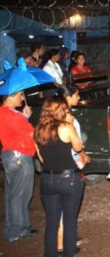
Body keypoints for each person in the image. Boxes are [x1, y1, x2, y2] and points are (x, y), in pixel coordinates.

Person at [34, 96, 85, 257]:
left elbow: (41, 159)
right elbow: (78, 146)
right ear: (62, 110)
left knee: (51, 224)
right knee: (69, 223)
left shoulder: (38, 130)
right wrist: (72, 126)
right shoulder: (66, 127)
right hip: (68, 178)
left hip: (47, 179)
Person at [0, 91, 38, 242]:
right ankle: (17, 230)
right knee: (21, 194)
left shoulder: (4, 112)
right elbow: (31, 134)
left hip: (10, 155)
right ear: (9, 97)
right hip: (20, 156)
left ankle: (14, 227)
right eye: (19, 95)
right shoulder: (14, 116)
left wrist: (25, 117)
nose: (22, 98)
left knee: (12, 194)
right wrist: (26, 120)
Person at [57, 85, 90, 254]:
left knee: (67, 207)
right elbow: (76, 144)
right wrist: (82, 155)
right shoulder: (66, 120)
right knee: (67, 207)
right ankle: (62, 246)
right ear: (68, 97)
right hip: (68, 166)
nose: (78, 98)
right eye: (76, 95)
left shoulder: (56, 117)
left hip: (60, 166)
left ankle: (67, 237)